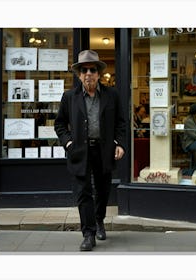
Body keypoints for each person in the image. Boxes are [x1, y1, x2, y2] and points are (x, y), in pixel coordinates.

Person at [54, 50, 126, 251]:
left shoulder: (112, 95)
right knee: (83, 192)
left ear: (98, 73)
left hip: (104, 151)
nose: (88, 73)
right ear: (79, 74)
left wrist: (119, 143)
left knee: (103, 190)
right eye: (84, 70)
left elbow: (121, 123)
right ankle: (88, 233)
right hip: (79, 152)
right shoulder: (69, 97)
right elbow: (59, 124)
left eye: (92, 70)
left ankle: (99, 220)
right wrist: (68, 143)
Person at [182, 102, 196, 170]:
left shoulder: (195, 119)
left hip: (194, 141)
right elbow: (194, 136)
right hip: (190, 143)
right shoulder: (189, 121)